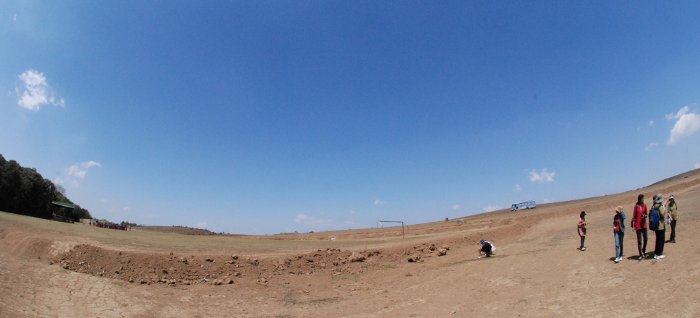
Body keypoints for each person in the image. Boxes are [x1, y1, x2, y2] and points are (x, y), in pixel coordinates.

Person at [631, 194, 649, 260]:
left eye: (643, 198)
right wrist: (633, 226)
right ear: (639, 199)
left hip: (644, 224)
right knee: (639, 241)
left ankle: (644, 250)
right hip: (638, 225)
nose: (643, 200)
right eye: (642, 198)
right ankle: (640, 254)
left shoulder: (645, 205)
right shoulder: (636, 206)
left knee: (646, 238)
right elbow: (634, 216)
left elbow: (646, 213)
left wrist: (645, 216)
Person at [650, 194, 666, 260]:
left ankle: (656, 253)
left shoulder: (653, 206)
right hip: (660, 225)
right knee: (661, 240)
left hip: (656, 226)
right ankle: (659, 254)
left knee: (657, 239)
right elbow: (662, 214)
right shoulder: (660, 206)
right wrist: (664, 209)